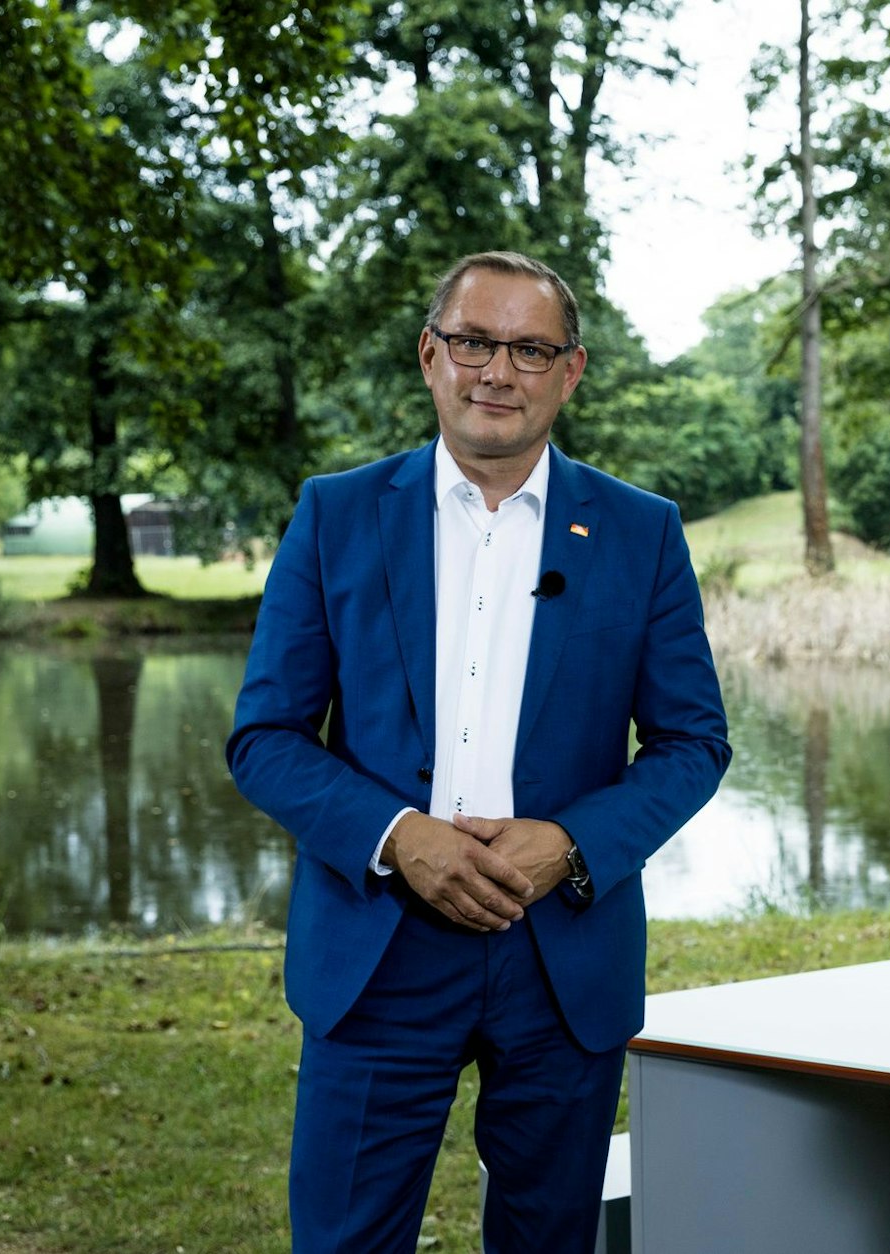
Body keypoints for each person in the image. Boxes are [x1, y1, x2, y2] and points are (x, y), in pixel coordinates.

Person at [228, 250, 730, 1252]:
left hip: (559, 955)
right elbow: (265, 738)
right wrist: (396, 835)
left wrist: (572, 844)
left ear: (570, 371)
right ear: (429, 354)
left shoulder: (640, 532)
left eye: (530, 349)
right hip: (379, 948)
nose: (497, 370)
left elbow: (690, 742)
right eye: (472, 341)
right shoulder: (336, 515)